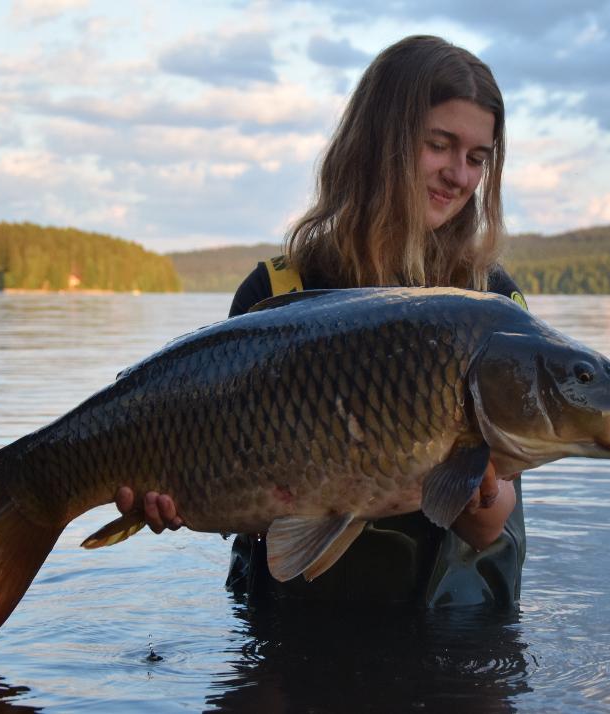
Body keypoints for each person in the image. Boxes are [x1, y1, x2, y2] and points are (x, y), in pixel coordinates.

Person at [115, 35, 527, 609]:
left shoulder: (494, 306)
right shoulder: (274, 293)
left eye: (478, 158)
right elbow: (253, 521)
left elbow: (489, 529)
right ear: (380, 142)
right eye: (440, 145)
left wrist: (469, 481)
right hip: (292, 626)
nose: (459, 174)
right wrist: (187, 496)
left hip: (451, 625)